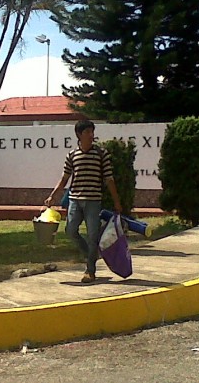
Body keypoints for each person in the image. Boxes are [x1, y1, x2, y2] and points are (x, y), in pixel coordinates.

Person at [44, 120, 122, 284]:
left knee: (93, 235)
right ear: (79, 135)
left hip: (93, 201)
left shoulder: (102, 154)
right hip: (75, 200)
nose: (91, 135)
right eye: (87, 132)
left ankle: (90, 270)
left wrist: (117, 202)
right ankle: (90, 255)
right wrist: (52, 196)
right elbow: (64, 179)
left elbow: (109, 179)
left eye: (92, 132)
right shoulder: (72, 155)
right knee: (71, 230)